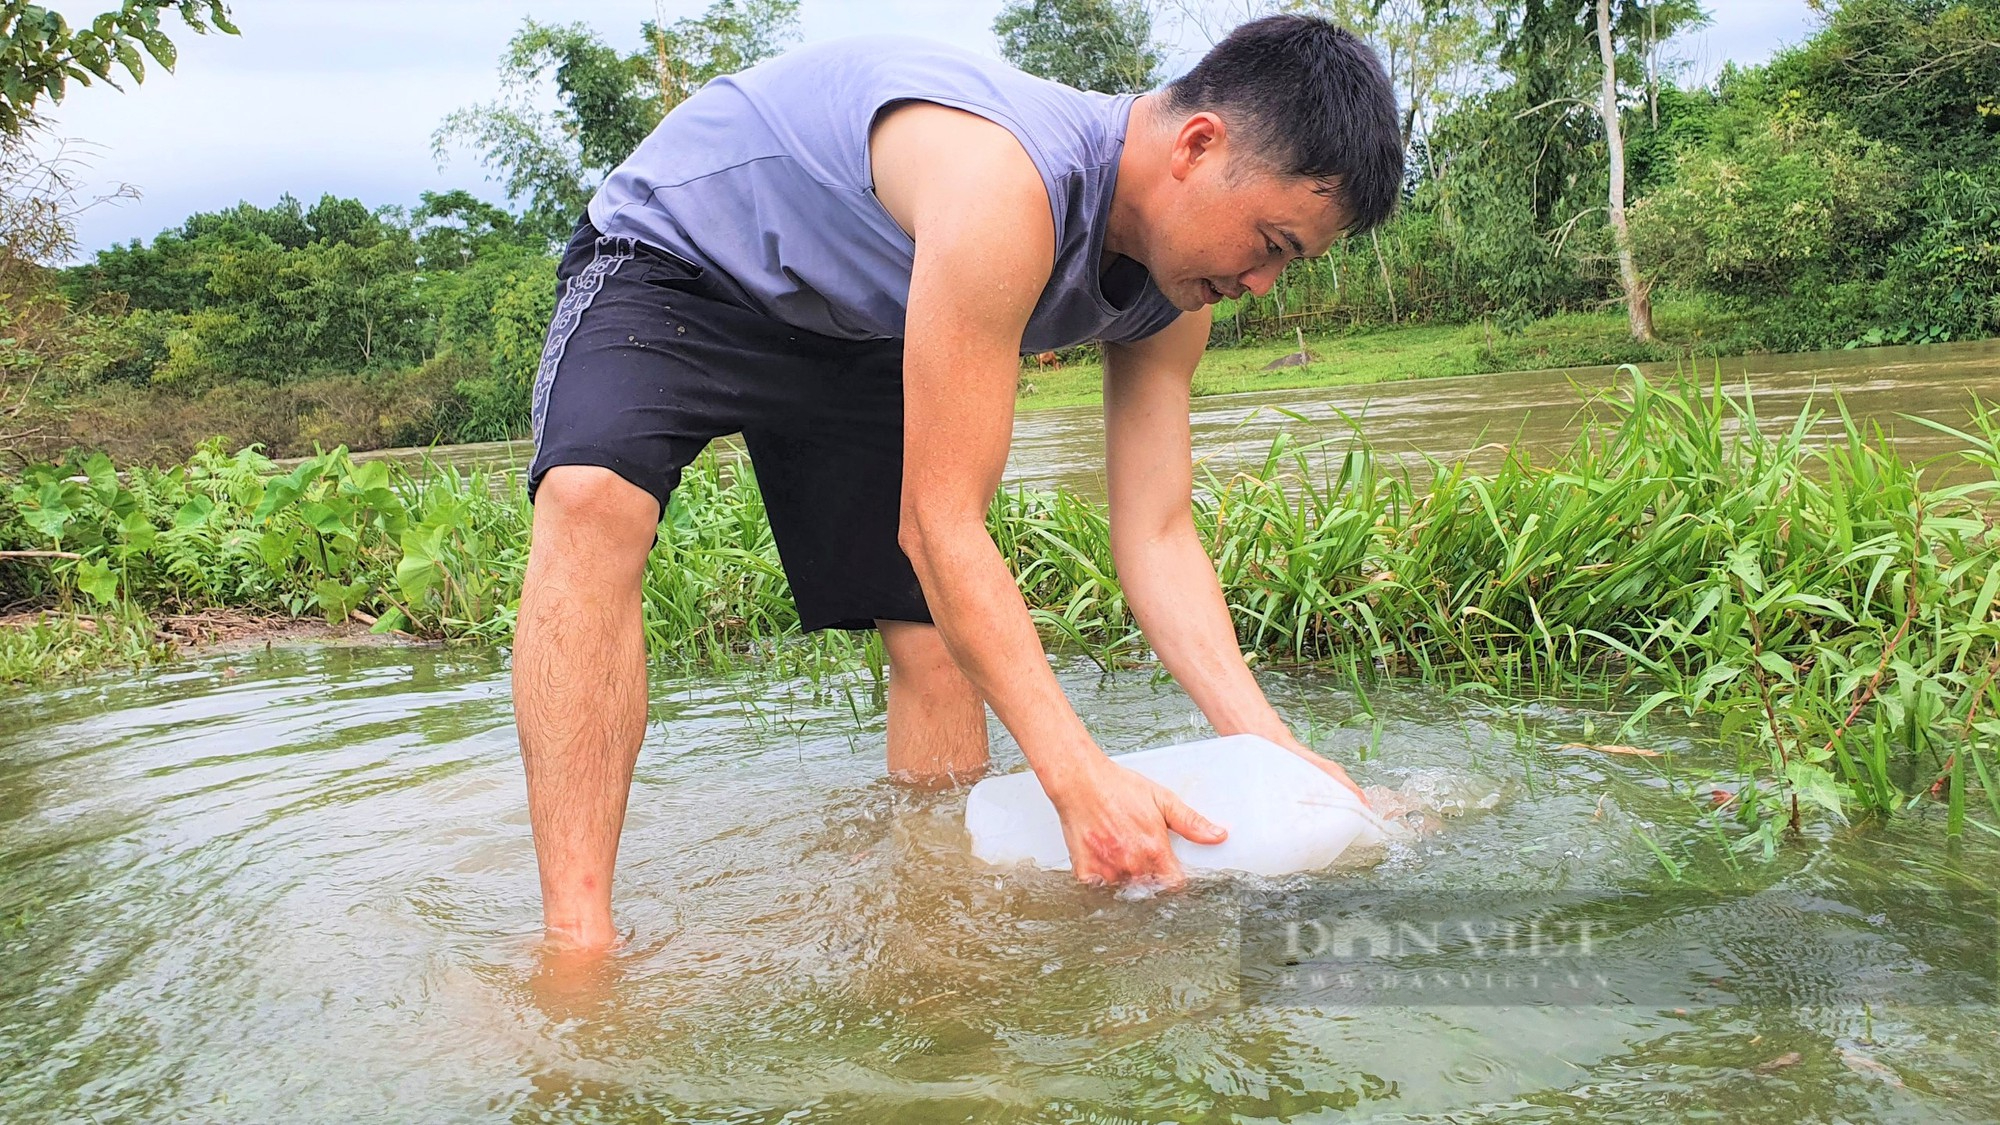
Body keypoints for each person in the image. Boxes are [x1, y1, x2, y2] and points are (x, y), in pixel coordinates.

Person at [513, 14, 1405, 953]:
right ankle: (579, 946)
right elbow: (942, 527)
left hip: (868, 314)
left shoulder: (1176, 294)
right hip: (681, 260)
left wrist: (1270, 751)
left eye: (1289, 260)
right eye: (1270, 241)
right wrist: (1076, 774)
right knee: (591, 499)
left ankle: (935, 925)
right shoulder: (1004, 184)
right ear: (1197, 144)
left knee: (934, 640)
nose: (1265, 282)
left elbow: (1158, 535)